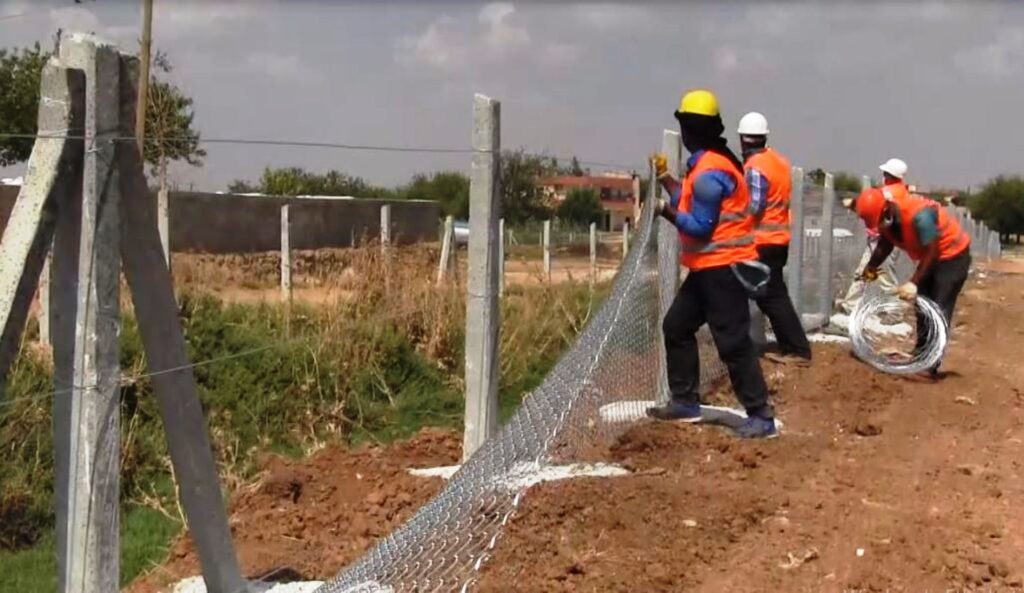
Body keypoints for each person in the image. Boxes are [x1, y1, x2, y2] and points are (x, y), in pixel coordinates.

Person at [646, 89, 777, 439]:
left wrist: (664, 211)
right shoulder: (710, 164)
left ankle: (761, 416)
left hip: (723, 268)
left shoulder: (709, 173)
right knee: (676, 326)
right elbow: (688, 200)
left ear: (691, 131)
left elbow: (700, 227)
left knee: (732, 342)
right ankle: (685, 401)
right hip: (707, 269)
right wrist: (666, 180)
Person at [852, 158, 971, 375]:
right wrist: (870, 268)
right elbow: (885, 243)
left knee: (938, 306)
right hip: (931, 257)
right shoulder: (886, 218)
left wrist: (914, 282)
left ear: (886, 209)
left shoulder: (919, 215)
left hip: (953, 256)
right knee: (921, 306)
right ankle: (921, 354)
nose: (879, 226)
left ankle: (931, 362)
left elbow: (933, 251)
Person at [736, 112, 811, 365]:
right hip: (778, 238)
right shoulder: (779, 161)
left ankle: (798, 350)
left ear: (743, 141)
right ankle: (792, 346)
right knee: (771, 294)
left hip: (763, 241)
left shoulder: (755, 167)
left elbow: (754, 207)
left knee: (771, 296)